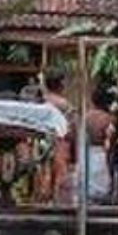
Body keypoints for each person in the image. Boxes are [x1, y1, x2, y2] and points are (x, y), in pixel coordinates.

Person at [44, 69, 75, 203]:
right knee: (60, 173)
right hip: (60, 141)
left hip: (43, 139)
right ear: (60, 84)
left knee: (44, 170)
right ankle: (59, 201)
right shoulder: (64, 104)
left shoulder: (42, 101)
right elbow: (71, 125)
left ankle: (43, 198)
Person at [84, 87, 115, 203]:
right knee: (100, 183)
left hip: (86, 152)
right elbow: (109, 140)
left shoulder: (86, 117)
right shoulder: (107, 119)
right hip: (100, 153)